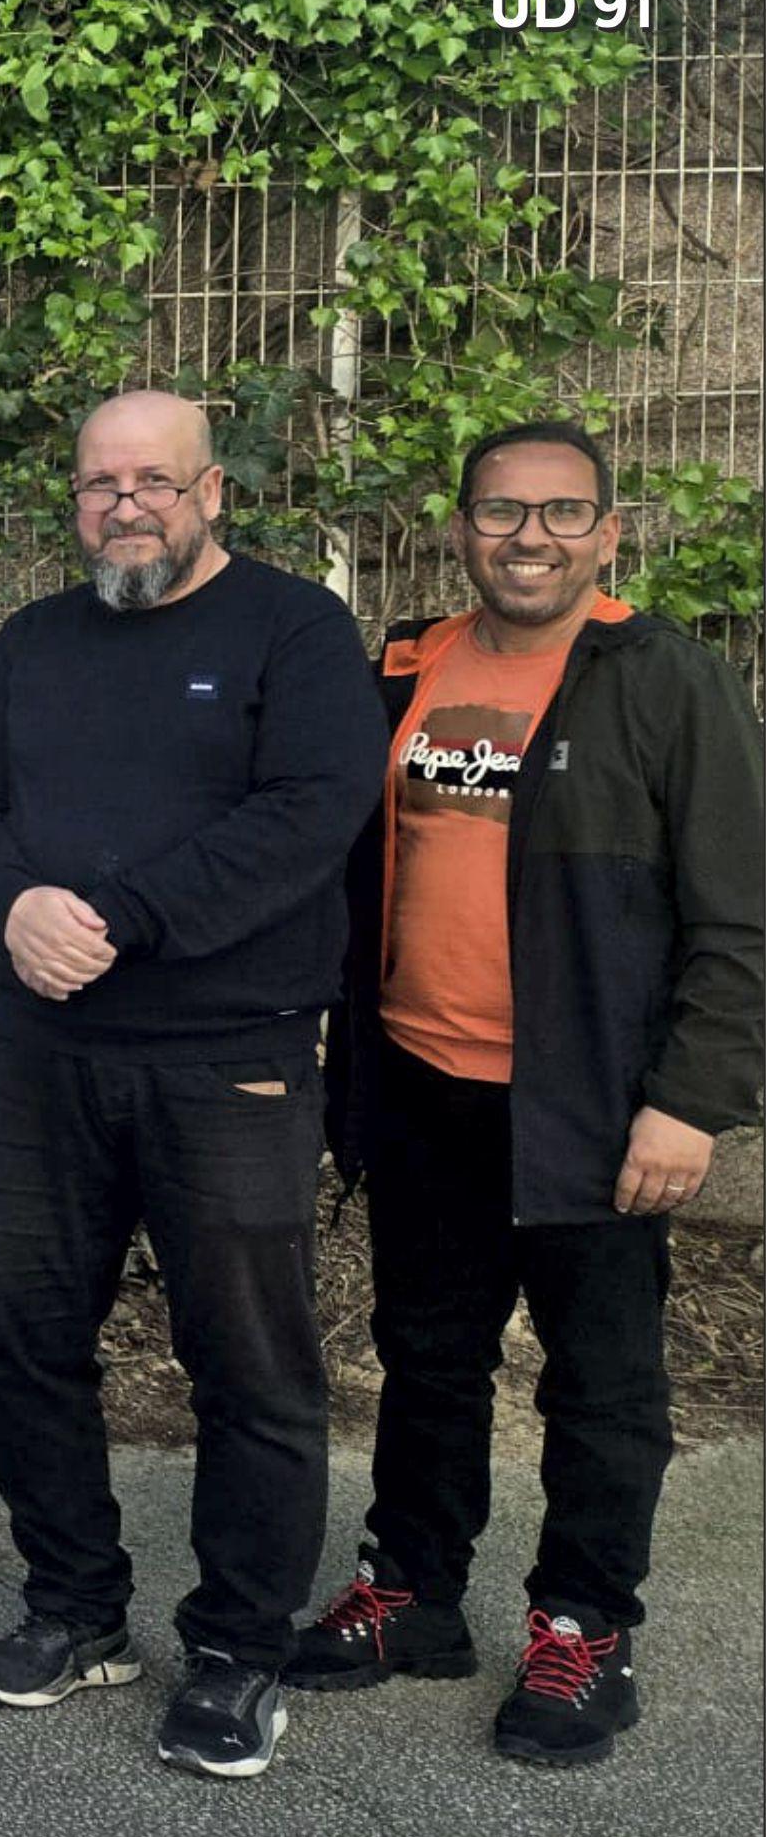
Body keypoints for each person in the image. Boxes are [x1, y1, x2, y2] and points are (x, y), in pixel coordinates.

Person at [0, 389, 385, 1781]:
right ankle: (74, 1607)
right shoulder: (33, 639)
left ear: (210, 491)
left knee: (246, 1363)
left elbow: (308, 811)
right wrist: (15, 906)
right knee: (14, 1328)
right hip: (42, 1053)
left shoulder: (293, 629)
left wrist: (116, 919)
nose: (123, 504)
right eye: (98, 483)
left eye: (152, 481)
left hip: (226, 1058)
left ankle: (238, 1646)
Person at [285, 422, 763, 1766]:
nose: (527, 536)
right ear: (459, 528)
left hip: (591, 1105)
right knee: (427, 1354)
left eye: (559, 512)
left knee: (601, 1382)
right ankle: (412, 1590)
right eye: (500, 511)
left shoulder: (662, 679)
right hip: (419, 1081)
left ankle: (582, 1625)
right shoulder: (405, 667)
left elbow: (739, 915)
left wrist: (688, 1101)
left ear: (606, 531)